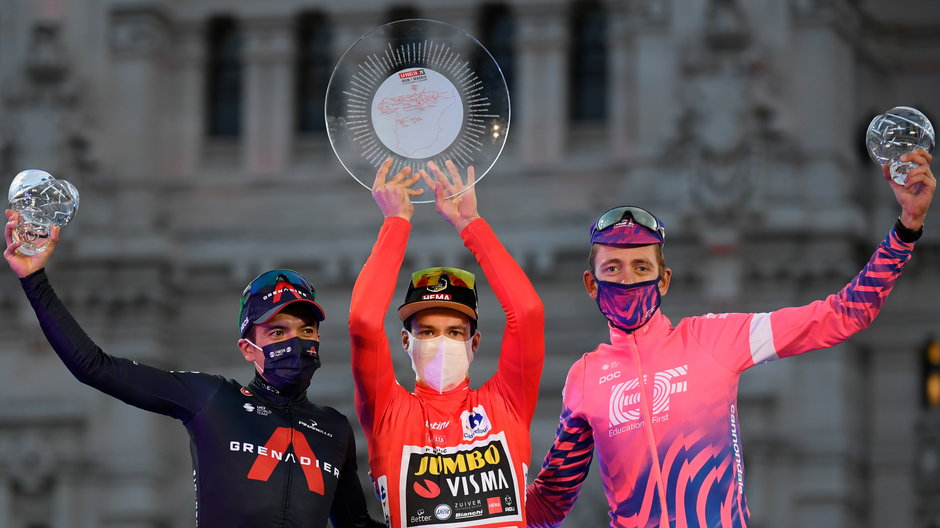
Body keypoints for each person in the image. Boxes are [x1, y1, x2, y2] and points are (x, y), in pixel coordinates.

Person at [526, 148, 936, 528]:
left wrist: (906, 228)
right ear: (591, 284)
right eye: (612, 268)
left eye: (641, 266)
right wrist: (476, 498)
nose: (628, 278)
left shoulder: (714, 336)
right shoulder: (584, 377)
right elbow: (549, 503)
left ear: (664, 280)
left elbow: (844, 314)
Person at [3, 209, 382, 527]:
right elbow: (95, 367)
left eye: (307, 329)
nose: (296, 341)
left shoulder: (334, 429)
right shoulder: (212, 399)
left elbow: (356, 525)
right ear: (247, 349)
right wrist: (34, 279)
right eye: (277, 331)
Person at [349, 158, 545, 528]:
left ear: (475, 343)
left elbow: (528, 313)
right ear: (405, 340)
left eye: (455, 332)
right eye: (427, 331)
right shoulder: (388, 414)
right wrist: (396, 221)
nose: (441, 341)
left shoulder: (507, 403)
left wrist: (471, 225)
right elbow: (363, 320)